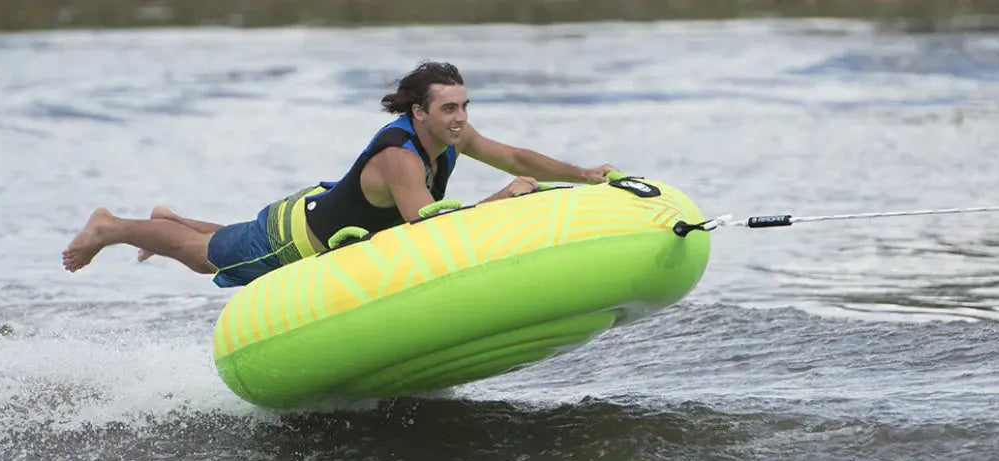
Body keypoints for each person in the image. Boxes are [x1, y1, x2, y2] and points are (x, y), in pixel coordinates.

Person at [62, 61, 617, 287]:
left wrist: (586, 174)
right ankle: (112, 227)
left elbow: (516, 158)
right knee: (203, 257)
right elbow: (427, 228)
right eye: (450, 108)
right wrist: (500, 200)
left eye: (464, 106)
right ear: (418, 112)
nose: (461, 117)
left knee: (223, 238)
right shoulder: (400, 155)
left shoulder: (450, 135)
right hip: (296, 240)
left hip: (325, 210)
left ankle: (168, 219)